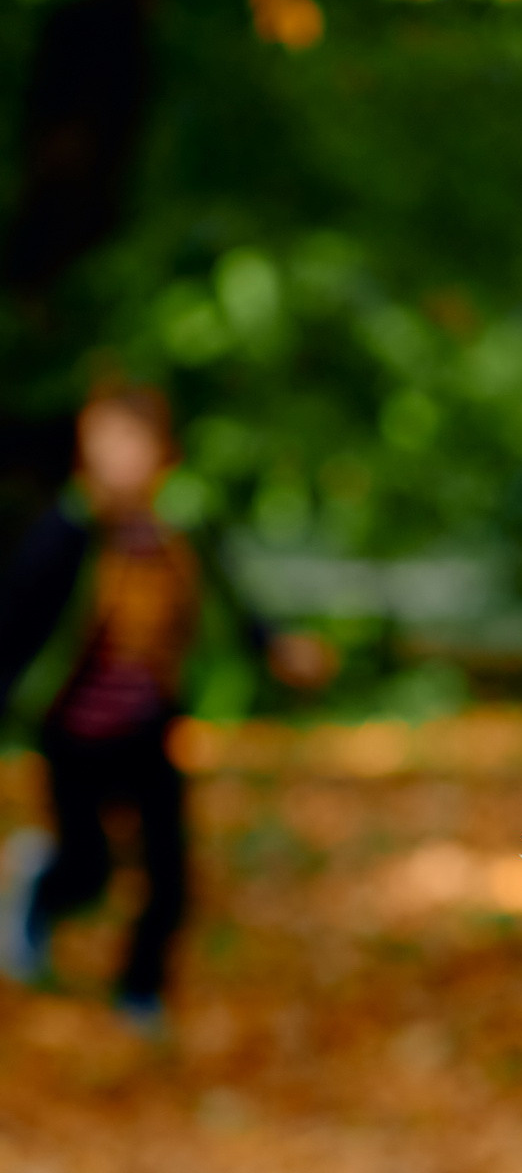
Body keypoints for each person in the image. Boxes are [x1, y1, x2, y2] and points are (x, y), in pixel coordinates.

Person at [0, 384, 324, 1029]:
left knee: (170, 874)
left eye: (131, 442)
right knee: (87, 867)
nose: (118, 458)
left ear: (162, 455)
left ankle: (140, 990)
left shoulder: (180, 532)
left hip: (148, 730)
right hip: (72, 735)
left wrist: (279, 649)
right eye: (104, 443)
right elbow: (16, 621)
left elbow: (235, 603)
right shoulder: (68, 531)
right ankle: (39, 889)